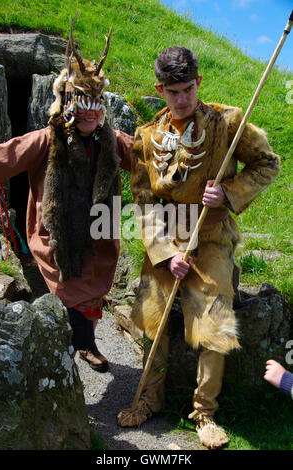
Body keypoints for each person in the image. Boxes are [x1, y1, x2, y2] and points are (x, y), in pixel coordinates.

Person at [117, 46, 280, 449]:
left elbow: (268, 164)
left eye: (188, 89)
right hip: (166, 239)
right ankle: (147, 399)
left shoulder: (229, 123)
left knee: (214, 319)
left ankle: (204, 413)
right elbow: (143, 200)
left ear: (199, 83)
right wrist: (165, 253)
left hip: (210, 235)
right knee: (150, 313)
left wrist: (228, 193)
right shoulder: (146, 138)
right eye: (173, 92)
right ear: (161, 89)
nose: (182, 99)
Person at [0, 21, 133, 373]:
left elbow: (149, 157)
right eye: (79, 100)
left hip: (101, 233)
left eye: (95, 102)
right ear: (66, 100)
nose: (88, 110)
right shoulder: (46, 139)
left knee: (91, 293)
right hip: (59, 236)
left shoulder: (111, 140)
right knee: (72, 293)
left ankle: (85, 344)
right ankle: (70, 353)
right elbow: (6, 156)